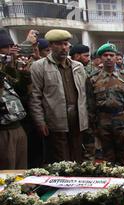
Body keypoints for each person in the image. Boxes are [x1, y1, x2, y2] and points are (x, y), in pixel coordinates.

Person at [29, 29, 89, 164]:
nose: (63, 48)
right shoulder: (39, 67)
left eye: (66, 44)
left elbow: (85, 93)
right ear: (50, 46)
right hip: (56, 123)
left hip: (78, 122)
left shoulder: (78, 66)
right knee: (61, 161)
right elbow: (35, 97)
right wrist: (40, 121)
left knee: (78, 159)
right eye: (59, 44)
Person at [86, 43, 124, 165]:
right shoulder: (93, 79)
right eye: (105, 55)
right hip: (103, 121)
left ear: (116, 57)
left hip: (122, 120)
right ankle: (111, 182)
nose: (108, 58)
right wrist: (92, 125)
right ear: (100, 58)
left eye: (111, 55)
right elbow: (90, 103)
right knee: (108, 157)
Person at [0, 29, 28, 169]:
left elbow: (20, 88)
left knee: (20, 171)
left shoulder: (8, 69)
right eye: (6, 48)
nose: (11, 51)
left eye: (12, 47)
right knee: (6, 172)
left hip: (17, 126)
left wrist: (13, 66)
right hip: (3, 132)